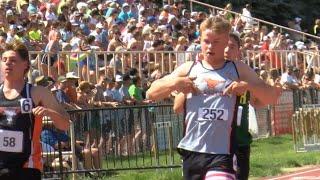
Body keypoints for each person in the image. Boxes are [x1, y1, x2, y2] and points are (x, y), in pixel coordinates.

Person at [146, 16, 280, 180]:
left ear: (225, 42)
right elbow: (151, 93)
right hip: (192, 151)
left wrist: (249, 86)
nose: (210, 46)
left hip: (222, 153)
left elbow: (272, 97)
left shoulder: (238, 70)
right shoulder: (190, 68)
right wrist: (174, 84)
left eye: (216, 42)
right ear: (200, 40)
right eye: (206, 41)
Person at [0, 41, 70, 179]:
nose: (8, 63)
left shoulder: (38, 93)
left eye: (13, 60)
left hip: (27, 167)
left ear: (25, 64)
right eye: (4, 60)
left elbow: (65, 124)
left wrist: (48, 112)